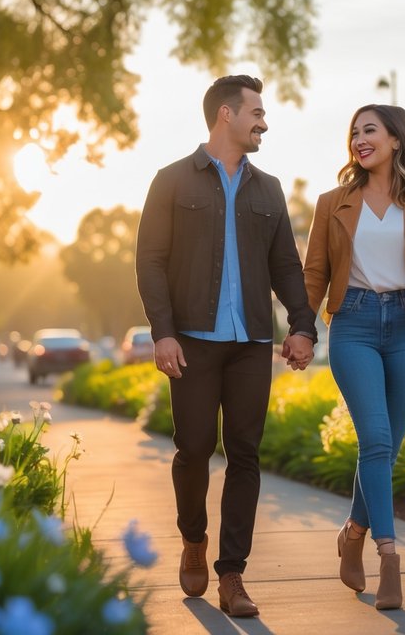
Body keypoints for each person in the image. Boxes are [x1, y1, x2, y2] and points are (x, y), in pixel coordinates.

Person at [135, 74, 317, 618]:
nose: (264, 122)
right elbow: (150, 260)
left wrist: (302, 325)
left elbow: (286, 265)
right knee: (193, 450)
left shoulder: (269, 189)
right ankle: (194, 537)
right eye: (256, 112)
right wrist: (162, 330)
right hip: (190, 341)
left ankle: (232, 574)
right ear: (225, 116)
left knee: (245, 454)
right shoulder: (171, 181)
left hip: (250, 345)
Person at [299, 103, 405, 611]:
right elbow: (314, 275)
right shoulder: (333, 203)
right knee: (373, 438)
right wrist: (302, 331)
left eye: (369, 130)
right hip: (352, 324)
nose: (359, 139)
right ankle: (389, 556)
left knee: (385, 448)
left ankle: (352, 531)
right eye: (353, 132)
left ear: (397, 140)